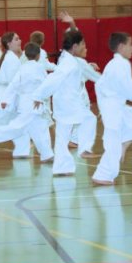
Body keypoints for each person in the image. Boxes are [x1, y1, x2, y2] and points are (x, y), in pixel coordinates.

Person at [91, 33, 132, 186]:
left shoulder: (114, 64)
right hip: (113, 109)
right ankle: (103, 175)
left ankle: (108, 168)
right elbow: (129, 88)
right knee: (113, 143)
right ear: (121, 46)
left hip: (114, 108)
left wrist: (103, 106)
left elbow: (101, 86)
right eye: (130, 44)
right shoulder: (120, 64)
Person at [32, 30, 97, 176]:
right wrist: (39, 95)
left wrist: (39, 96)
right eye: (82, 44)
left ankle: (61, 168)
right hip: (69, 103)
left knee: (62, 137)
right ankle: (84, 148)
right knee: (89, 119)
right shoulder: (69, 63)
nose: (84, 47)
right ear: (74, 46)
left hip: (63, 103)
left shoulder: (71, 60)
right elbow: (53, 79)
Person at [0, 43, 54, 162]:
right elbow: (45, 84)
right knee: (17, 127)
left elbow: (14, 85)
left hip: (26, 102)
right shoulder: (39, 68)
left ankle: (47, 155)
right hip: (33, 103)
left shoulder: (23, 67)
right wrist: (40, 97)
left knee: (40, 128)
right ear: (38, 55)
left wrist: (6, 99)